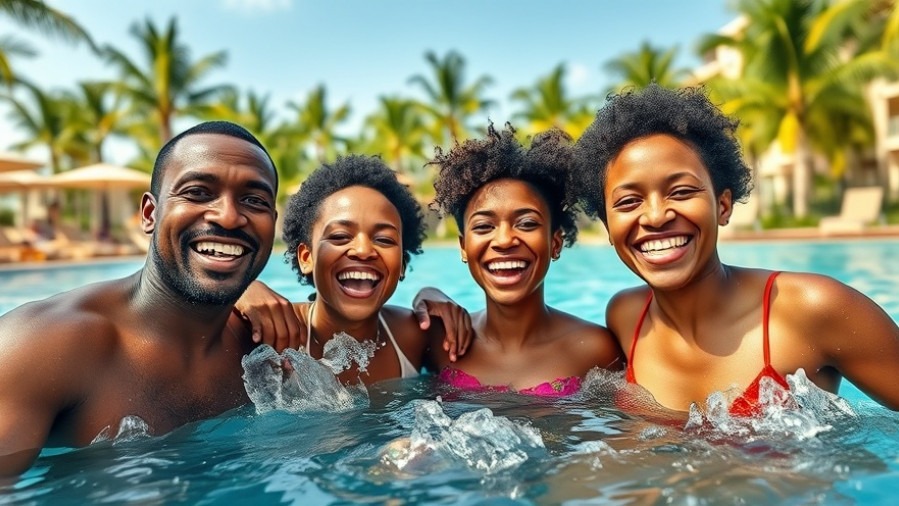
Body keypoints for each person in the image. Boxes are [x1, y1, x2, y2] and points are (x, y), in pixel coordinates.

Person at [572, 84, 899, 414]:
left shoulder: (814, 309)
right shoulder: (625, 316)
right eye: (629, 201)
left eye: (682, 192)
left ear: (723, 205)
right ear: (607, 226)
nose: (657, 216)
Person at [0, 121, 278, 476]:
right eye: (197, 192)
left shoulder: (264, 343)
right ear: (149, 214)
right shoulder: (41, 346)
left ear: (271, 221)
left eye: (254, 200)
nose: (228, 216)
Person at [235, 155, 472, 385]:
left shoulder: (415, 336)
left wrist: (431, 293)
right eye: (340, 236)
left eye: (384, 240)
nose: (362, 250)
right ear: (307, 257)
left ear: (402, 263)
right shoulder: (276, 332)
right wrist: (238, 292)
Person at [423, 123, 622, 396]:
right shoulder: (439, 342)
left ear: (555, 243)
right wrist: (425, 294)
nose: (504, 241)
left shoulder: (594, 348)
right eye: (483, 227)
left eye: (527, 223)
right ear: (463, 247)